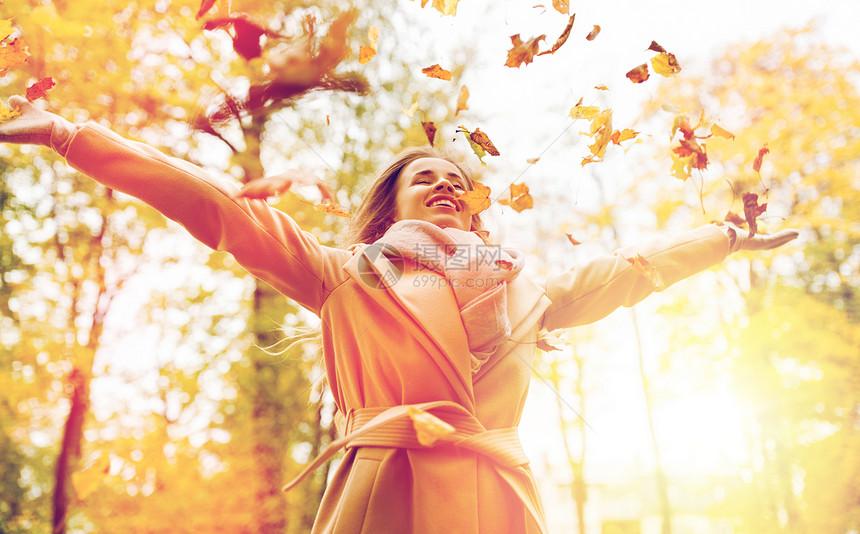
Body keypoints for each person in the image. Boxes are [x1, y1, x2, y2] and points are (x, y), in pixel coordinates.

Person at [0, 96, 797, 533]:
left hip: (498, 502)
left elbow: (636, 271)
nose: (446, 184)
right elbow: (217, 209)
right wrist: (75, 136)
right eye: (425, 177)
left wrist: (724, 237)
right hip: (384, 497)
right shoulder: (345, 274)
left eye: (457, 179)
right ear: (388, 209)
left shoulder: (530, 291)